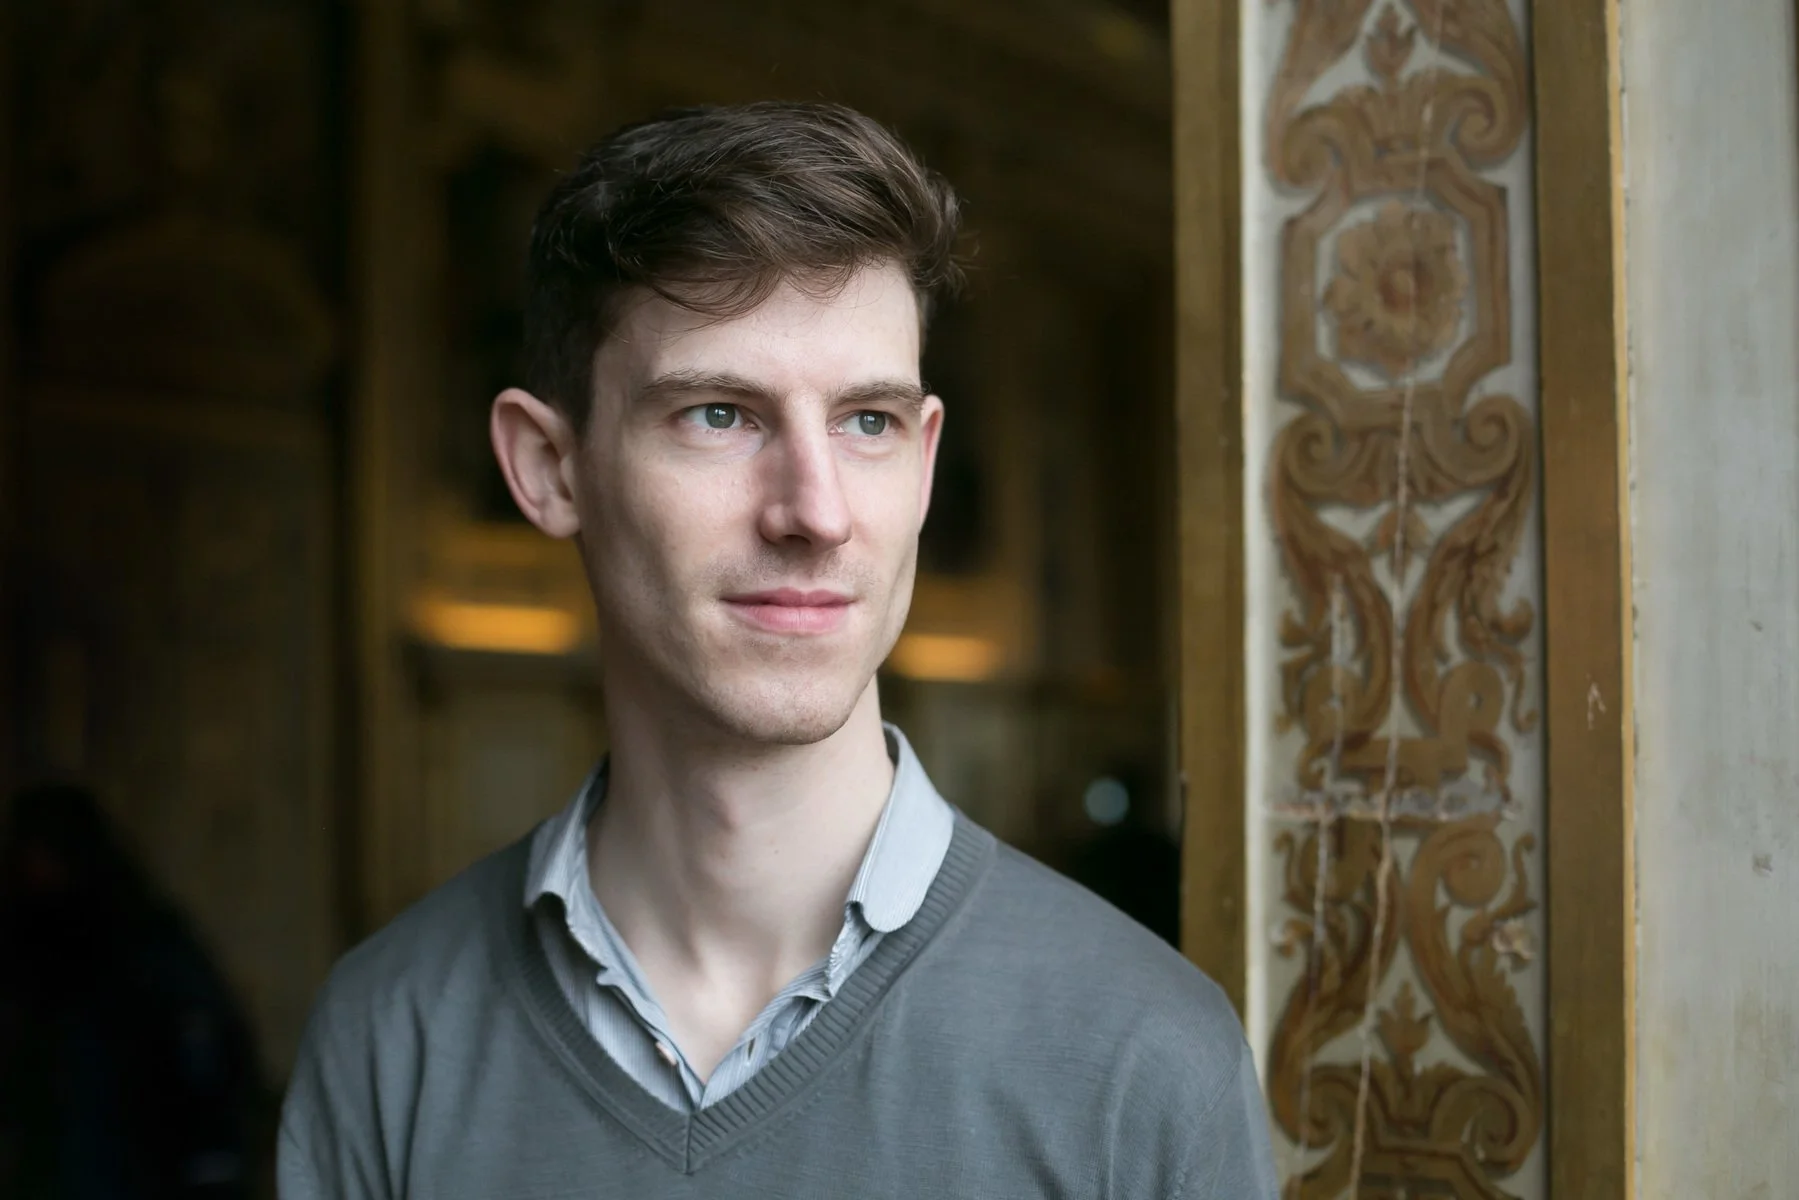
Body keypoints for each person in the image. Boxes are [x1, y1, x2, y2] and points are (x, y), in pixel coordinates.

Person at [278, 101, 1277, 1199]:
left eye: (866, 423)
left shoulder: (1143, 1051)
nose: (815, 511)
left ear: (925, 460)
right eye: (718, 414)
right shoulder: (389, 1036)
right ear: (548, 469)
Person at [0, 783, 267, 1199]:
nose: (39, 872)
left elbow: (208, 1080)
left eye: (49, 857)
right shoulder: (27, 962)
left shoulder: (148, 951)